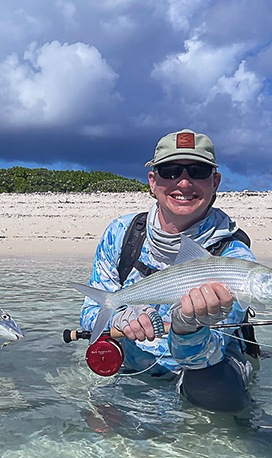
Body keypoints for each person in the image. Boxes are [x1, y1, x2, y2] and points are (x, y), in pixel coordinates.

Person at [80, 129, 256, 412]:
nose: (184, 183)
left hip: (200, 370)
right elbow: (90, 315)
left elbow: (210, 353)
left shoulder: (234, 257)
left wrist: (188, 328)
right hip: (132, 370)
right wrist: (119, 316)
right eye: (170, 171)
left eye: (197, 171)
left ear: (215, 182)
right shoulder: (121, 234)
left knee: (219, 398)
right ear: (152, 181)